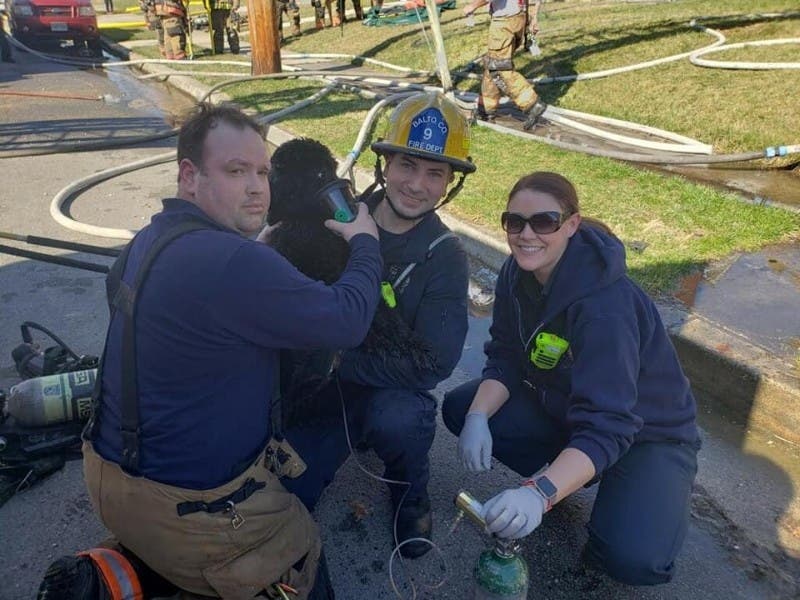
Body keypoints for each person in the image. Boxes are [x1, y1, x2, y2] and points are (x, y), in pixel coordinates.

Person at [41, 103, 384, 599]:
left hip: (108, 476)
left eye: (263, 171)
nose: (256, 187)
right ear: (189, 176)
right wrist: (365, 243)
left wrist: (248, 269)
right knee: (302, 549)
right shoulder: (233, 262)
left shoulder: (153, 236)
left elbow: (129, 292)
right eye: (235, 171)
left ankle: (144, 568)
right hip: (180, 507)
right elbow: (347, 319)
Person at [442, 171, 701, 585]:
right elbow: (506, 356)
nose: (527, 234)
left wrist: (537, 494)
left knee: (631, 560)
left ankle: (621, 484)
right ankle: (576, 468)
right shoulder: (516, 273)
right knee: (462, 407)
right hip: (569, 408)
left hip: (645, 433)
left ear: (572, 224)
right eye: (514, 222)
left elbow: (610, 424)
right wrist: (476, 418)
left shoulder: (604, 309)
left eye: (544, 222)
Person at [280, 92, 476, 559]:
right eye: (407, 165)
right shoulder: (334, 217)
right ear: (383, 163)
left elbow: (433, 365)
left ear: (450, 182)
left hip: (388, 386)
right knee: (287, 496)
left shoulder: (445, 256)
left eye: (435, 173)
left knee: (398, 420)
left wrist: (339, 359)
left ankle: (411, 490)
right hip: (324, 388)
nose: (416, 184)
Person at [462, 0, 547, 129]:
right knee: (492, 65)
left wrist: (472, 6)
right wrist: (533, 19)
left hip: (504, 22)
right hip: (518, 18)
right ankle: (486, 108)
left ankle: (532, 105)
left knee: (500, 67)